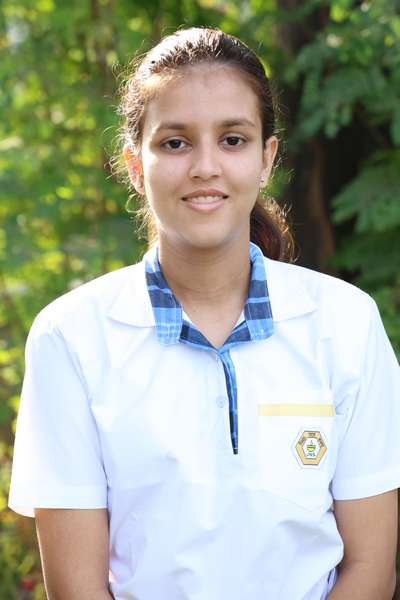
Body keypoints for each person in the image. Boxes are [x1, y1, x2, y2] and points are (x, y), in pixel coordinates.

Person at [8, 26, 400, 600]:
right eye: (175, 143)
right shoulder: (70, 337)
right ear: (135, 164)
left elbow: (371, 569)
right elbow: (77, 589)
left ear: (266, 159)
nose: (205, 167)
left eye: (233, 139)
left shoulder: (346, 324)